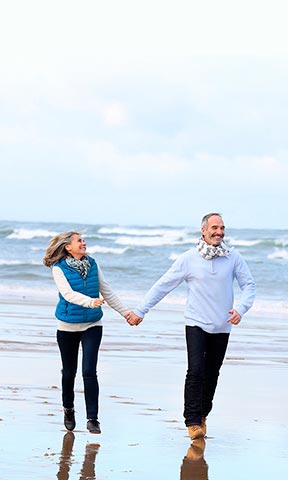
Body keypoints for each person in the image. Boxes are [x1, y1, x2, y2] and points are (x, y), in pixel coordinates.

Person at [127, 213, 256, 441]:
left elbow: (249, 285)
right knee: (195, 371)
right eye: (215, 227)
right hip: (195, 322)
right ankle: (193, 421)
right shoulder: (189, 258)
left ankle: (203, 413)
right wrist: (141, 310)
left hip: (223, 325)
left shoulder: (233, 257)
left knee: (212, 373)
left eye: (222, 228)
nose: (219, 232)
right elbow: (163, 285)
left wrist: (241, 309)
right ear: (204, 230)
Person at [43, 231, 137, 434]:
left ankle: (92, 419)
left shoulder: (93, 264)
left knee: (89, 371)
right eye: (79, 240)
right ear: (68, 246)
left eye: (84, 240)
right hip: (67, 326)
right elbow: (68, 294)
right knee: (69, 372)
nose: (84, 242)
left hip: (93, 325)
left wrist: (126, 313)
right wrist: (90, 302)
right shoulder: (58, 269)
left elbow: (107, 291)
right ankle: (68, 409)